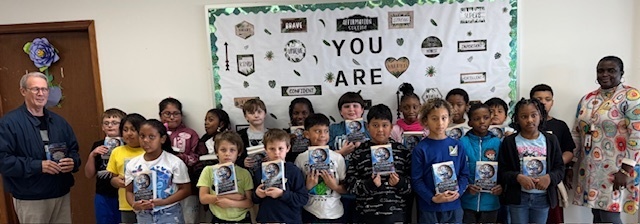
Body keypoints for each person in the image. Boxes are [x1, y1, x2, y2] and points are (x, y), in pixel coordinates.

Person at [0, 72, 81, 223]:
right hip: (31, 198)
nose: (41, 93)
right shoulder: (8, 124)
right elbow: (3, 161)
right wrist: (38, 166)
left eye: (44, 89)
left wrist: (73, 162)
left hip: (61, 194)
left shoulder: (59, 122)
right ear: (23, 91)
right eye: (35, 89)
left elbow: (74, 151)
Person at [571, 56, 640, 223]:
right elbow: (576, 133)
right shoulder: (587, 99)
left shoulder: (631, 96)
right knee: (598, 214)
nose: (604, 74)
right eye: (600, 70)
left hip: (617, 169)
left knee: (610, 214)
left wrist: (625, 170)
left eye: (611, 70)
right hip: (591, 168)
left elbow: (637, 134)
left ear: (621, 73)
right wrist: (571, 163)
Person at [497, 98, 564, 224]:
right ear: (517, 118)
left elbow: (560, 168)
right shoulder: (509, 142)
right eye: (524, 116)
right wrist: (518, 177)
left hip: (543, 198)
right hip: (518, 198)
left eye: (534, 115)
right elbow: (502, 171)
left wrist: (549, 178)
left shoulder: (551, 140)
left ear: (541, 116)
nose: (529, 120)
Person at [346, 104, 412, 223]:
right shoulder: (359, 153)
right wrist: (369, 184)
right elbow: (350, 186)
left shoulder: (402, 151)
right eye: (375, 125)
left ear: (391, 127)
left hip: (397, 216)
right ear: (367, 127)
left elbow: (413, 184)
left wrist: (400, 182)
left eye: (385, 125)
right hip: (366, 216)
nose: (380, 130)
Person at [412, 98, 469, 223]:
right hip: (430, 208)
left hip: (454, 206)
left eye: (444, 118)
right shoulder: (421, 149)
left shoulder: (457, 146)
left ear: (449, 119)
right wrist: (432, 198)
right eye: (434, 118)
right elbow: (416, 180)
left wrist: (458, 192)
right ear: (425, 120)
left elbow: (465, 175)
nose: (440, 123)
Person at [125, 119, 191, 223]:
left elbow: (186, 190)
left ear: (162, 139)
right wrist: (134, 204)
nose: (146, 140)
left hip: (169, 213)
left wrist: (164, 201)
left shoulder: (174, 162)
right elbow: (129, 190)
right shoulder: (132, 164)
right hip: (144, 215)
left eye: (151, 137)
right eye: (142, 136)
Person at [529, 84, 576, 224]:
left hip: (551, 182)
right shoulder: (520, 125)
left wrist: (555, 163)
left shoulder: (559, 125)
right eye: (539, 99)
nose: (543, 102)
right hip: (527, 182)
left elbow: (569, 151)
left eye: (547, 99)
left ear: (552, 102)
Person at [294, 113, 347, 222]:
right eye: (317, 131)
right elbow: (296, 190)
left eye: (326, 131)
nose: (322, 135)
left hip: (335, 212)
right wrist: (307, 187)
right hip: (310, 212)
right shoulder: (301, 158)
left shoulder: (337, 158)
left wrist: (335, 186)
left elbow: (346, 187)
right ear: (307, 134)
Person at [327, 91, 371, 222]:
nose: (351, 109)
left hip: (364, 190)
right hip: (339, 189)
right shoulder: (334, 129)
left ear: (362, 110)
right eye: (346, 106)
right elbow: (322, 156)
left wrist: (362, 147)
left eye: (355, 106)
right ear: (340, 111)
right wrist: (341, 153)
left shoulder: (370, 128)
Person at [158, 97, 202, 223]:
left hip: (187, 183)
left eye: (176, 113)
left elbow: (197, 157)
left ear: (181, 115)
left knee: (189, 219)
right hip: (163, 185)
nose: (172, 117)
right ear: (160, 115)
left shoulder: (190, 133)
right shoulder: (155, 134)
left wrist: (182, 158)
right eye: (167, 114)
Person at [252, 129, 308, 223]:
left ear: (288, 148)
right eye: (272, 149)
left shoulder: (294, 171)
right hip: (267, 219)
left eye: (280, 148)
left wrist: (282, 194)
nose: (276, 153)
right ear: (265, 149)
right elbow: (254, 199)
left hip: (289, 220)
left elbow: (302, 199)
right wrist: (257, 194)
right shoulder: (259, 171)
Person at [198, 131, 254, 223]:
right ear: (216, 152)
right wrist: (229, 196)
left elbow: (249, 203)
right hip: (218, 219)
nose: (227, 154)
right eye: (223, 150)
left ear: (238, 153)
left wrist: (230, 203)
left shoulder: (244, 173)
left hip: (242, 219)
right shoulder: (208, 170)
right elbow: (203, 198)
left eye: (232, 150)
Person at [459, 103, 502, 223]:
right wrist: (466, 187)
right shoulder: (462, 143)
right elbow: (457, 170)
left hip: (491, 202)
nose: (482, 121)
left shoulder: (498, 142)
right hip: (467, 202)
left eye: (486, 117)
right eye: (477, 119)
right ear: (470, 122)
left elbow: (504, 169)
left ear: (491, 119)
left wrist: (502, 186)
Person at [85, 108, 127, 224]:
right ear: (102, 127)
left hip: (123, 194)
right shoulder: (98, 145)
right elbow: (89, 174)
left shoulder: (129, 145)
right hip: (103, 193)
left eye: (115, 123)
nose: (110, 126)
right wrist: (92, 155)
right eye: (106, 123)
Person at [106, 113, 146, 223]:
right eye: (125, 129)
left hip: (149, 202)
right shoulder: (117, 151)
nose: (129, 133)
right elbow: (113, 179)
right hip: (126, 205)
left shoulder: (150, 150)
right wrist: (116, 181)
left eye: (133, 129)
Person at [238, 99, 268, 171]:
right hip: (248, 176)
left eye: (259, 112)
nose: (256, 115)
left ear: (265, 114)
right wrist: (242, 162)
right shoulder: (240, 136)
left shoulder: (274, 134)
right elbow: (233, 156)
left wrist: (272, 158)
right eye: (251, 113)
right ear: (246, 116)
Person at [286, 97, 314, 162]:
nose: (300, 117)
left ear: (310, 113)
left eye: (304, 113)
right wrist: (286, 143)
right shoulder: (284, 134)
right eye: (296, 113)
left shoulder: (316, 133)